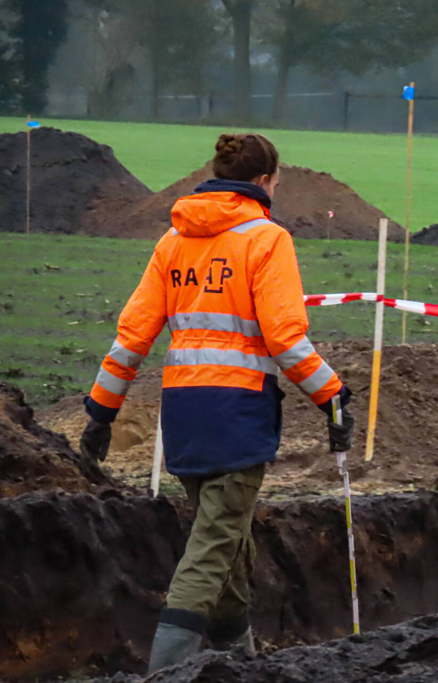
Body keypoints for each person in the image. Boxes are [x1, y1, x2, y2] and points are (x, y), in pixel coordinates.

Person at [78, 133, 356, 673]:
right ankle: (165, 671)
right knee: (211, 548)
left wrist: (100, 412)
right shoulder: (266, 239)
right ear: (263, 182)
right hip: (237, 416)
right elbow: (286, 341)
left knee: (230, 540)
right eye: (278, 181)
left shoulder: (173, 242)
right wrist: (334, 398)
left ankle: (238, 661)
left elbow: (132, 337)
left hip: (183, 415)